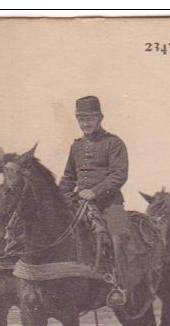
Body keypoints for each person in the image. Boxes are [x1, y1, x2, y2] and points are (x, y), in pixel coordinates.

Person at [58, 95, 131, 306]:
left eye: (89, 118)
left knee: (118, 238)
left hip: (109, 202)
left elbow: (119, 174)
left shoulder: (114, 143)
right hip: (80, 201)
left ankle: (118, 286)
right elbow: (68, 177)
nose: (85, 123)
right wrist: (61, 197)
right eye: (81, 119)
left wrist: (95, 192)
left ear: (100, 118)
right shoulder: (77, 146)